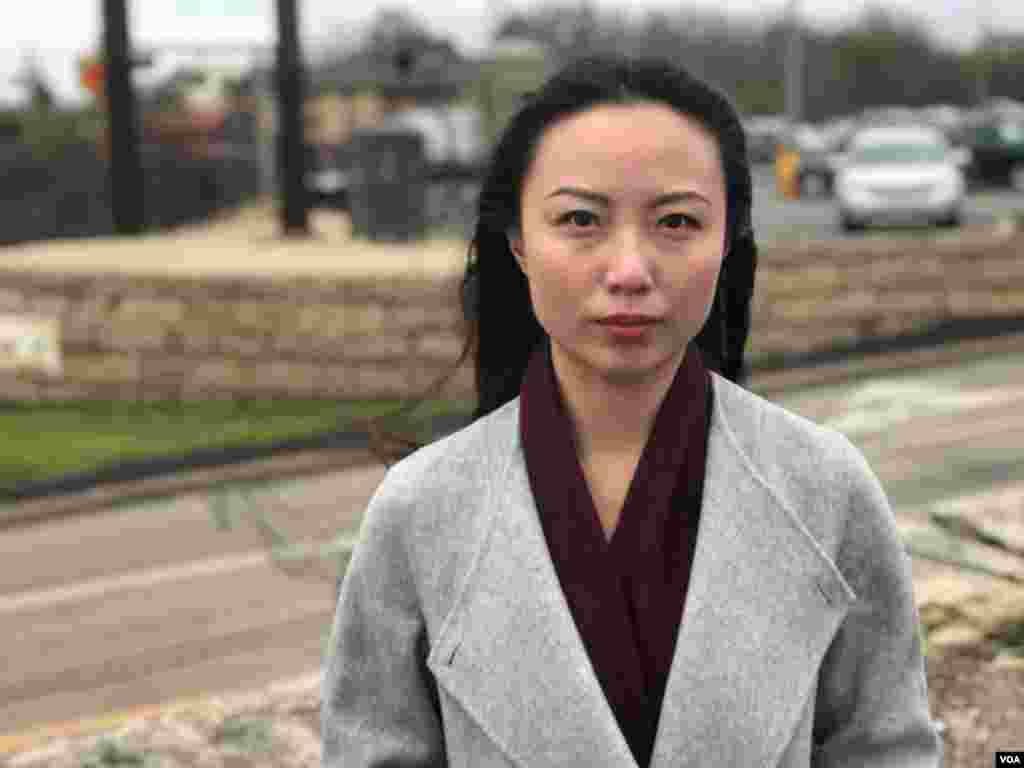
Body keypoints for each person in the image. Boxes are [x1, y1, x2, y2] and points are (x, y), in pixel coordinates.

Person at [322, 54, 941, 768]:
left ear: (729, 239)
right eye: (580, 219)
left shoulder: (825, 488)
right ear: (519, 242)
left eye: (676, 221)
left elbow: (887, 749)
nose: (629, 271)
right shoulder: (420, 510)